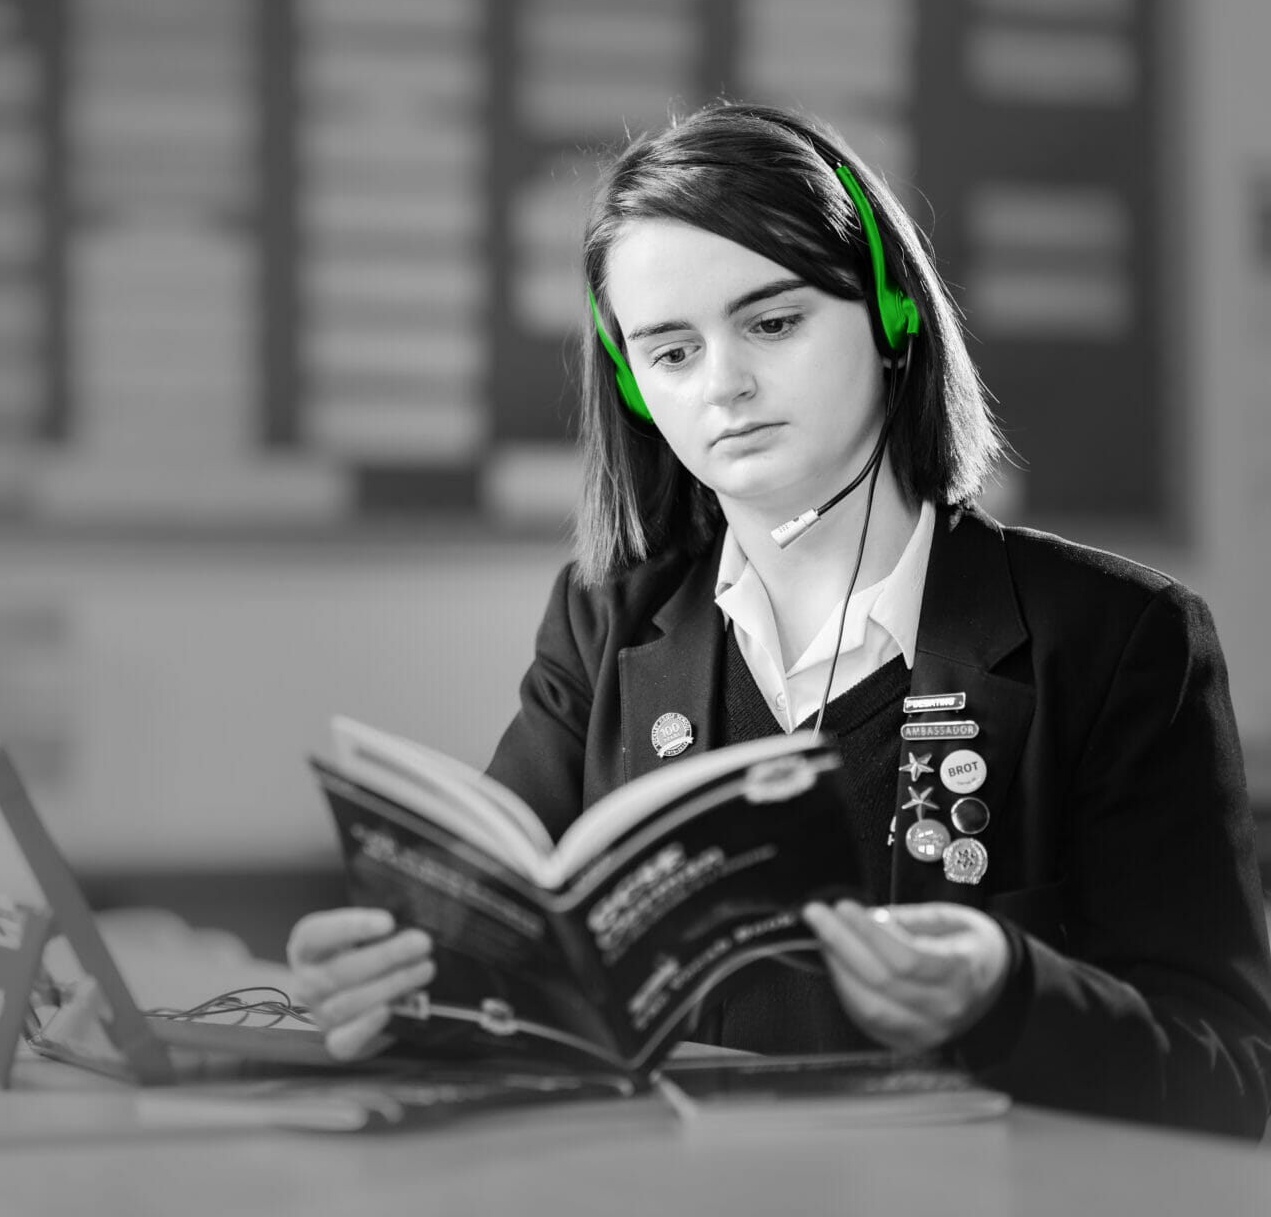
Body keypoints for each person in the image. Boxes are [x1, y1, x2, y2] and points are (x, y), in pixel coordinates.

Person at [286, 100, 1271, 1139]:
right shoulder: (603, 623)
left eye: (772, 322)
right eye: (671, 352)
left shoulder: (1117, 640)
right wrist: (394, 987)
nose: (728, 386)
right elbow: (505, 969)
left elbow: (1235, 1073)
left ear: (893, 318)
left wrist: (1009, 988)